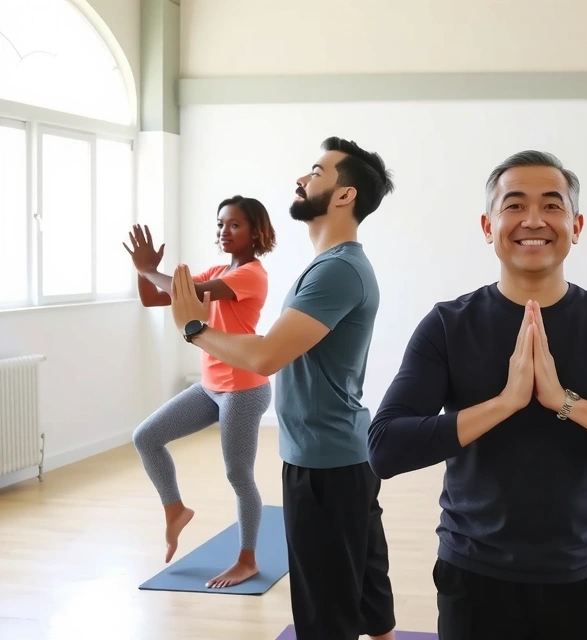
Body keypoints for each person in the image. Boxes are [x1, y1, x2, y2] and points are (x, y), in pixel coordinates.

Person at [367, 150, 587, 640]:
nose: (534, 220)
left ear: (576, 225)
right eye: (514, 206)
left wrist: (564, 401)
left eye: (553, 206)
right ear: (488, 226)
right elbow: (385, 448)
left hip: (582, 577)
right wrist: (505, 402)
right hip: (473, 578)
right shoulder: (447, 326)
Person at [166, 136, 397, 640]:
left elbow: (267, 355)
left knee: (325, 611)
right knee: (366, 591)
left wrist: (194, 328)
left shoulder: (336, 270)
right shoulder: (332, 266)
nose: (301, 179)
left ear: (344, 196)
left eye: (315, 171)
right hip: (344, 456)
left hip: (323, 465)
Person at [125, 196, 275, 589]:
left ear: (256, 232)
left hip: (244, 389)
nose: (224, 231)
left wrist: (151, 269)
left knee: (238, 474)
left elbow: (188, 290)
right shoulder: (220, 269)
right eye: (221, 224)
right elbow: (155, 298)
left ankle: (247, 559)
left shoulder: (251, 275)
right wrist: (144, 273)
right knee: (146, 437)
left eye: (235, 225)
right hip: (211, 388)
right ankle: (175, 509)